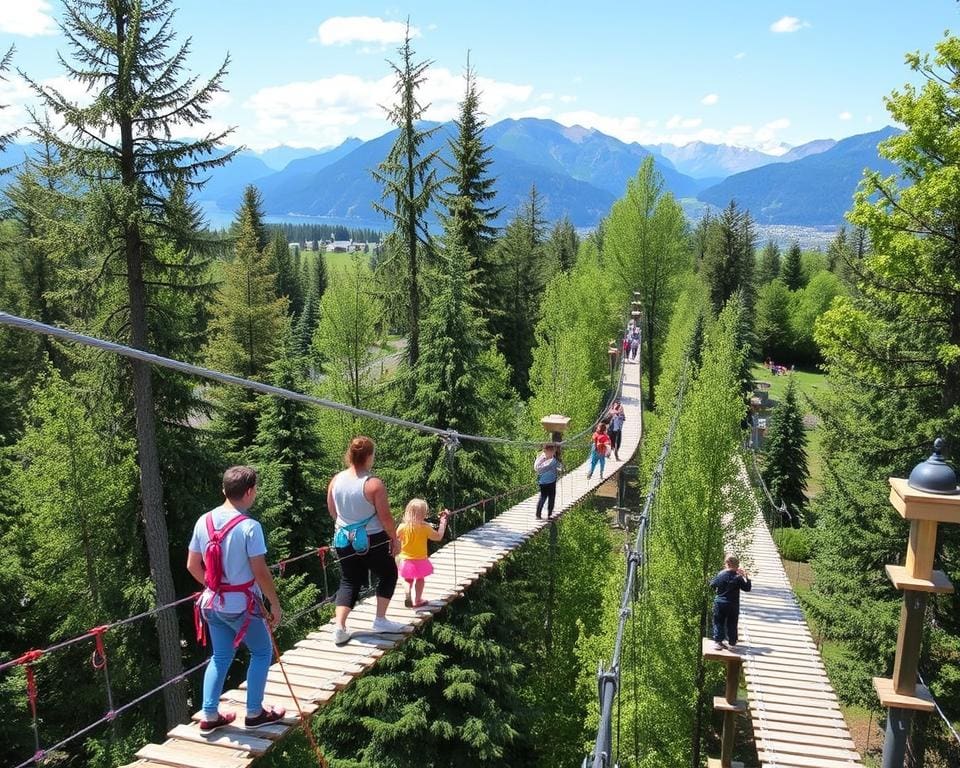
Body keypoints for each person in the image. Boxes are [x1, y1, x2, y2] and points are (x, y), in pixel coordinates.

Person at [187, 465, 286, 732]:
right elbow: (260, 571)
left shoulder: (203, 521)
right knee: (262, 651)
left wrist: (215, 585)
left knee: (220, 656)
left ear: (224, 490)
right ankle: (254, 713)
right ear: (250, 492)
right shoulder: (250, 527)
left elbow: (192, 565)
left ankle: (209, 714)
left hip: (212, 604)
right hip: (242, 606)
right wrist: (274, 603)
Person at [328, 436, 405, 645]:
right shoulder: (373, 484)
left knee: (349, 580)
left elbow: (332, 511)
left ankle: (340, 628)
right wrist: (394, 539)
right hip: (373, 539)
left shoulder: (336, 480)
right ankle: (380, 619)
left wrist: (348, 525)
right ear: (369, 456)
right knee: (388, 573)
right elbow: (386, 518)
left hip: (343, 539)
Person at [397, 499, 448, 608]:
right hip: (420, 560)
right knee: (420, 579)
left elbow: (395, 539)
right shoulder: (425, 528)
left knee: (407, 580)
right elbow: (438, 537)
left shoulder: (402, 527)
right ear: (424, 514)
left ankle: (407, 592)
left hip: (406, 560)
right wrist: (443, 522)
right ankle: (418, 600)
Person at [710, 555, 752, 650]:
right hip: (733, 604)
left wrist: (718, 590)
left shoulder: (720, 574)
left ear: (727, 564)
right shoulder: (738, 578)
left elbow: (712, 584)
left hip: (720, 602)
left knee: (718, 622)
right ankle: (732, 642)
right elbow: (747, 588)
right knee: (732, 623)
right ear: (736, 565)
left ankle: (718, 642)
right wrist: (746, 577)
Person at [533, 443, 562, 519]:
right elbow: (537, 469)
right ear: (545, 451)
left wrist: (559, 468)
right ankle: (538, 515)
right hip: (544, 483)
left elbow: (559, 466)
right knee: (543, 498)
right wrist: (550, 465)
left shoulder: (554, 458)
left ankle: (549, 515)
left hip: (552, 481)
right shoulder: (541, 458)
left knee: (552, 498)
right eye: (550, 451)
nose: (552, 453)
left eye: (553, 451)